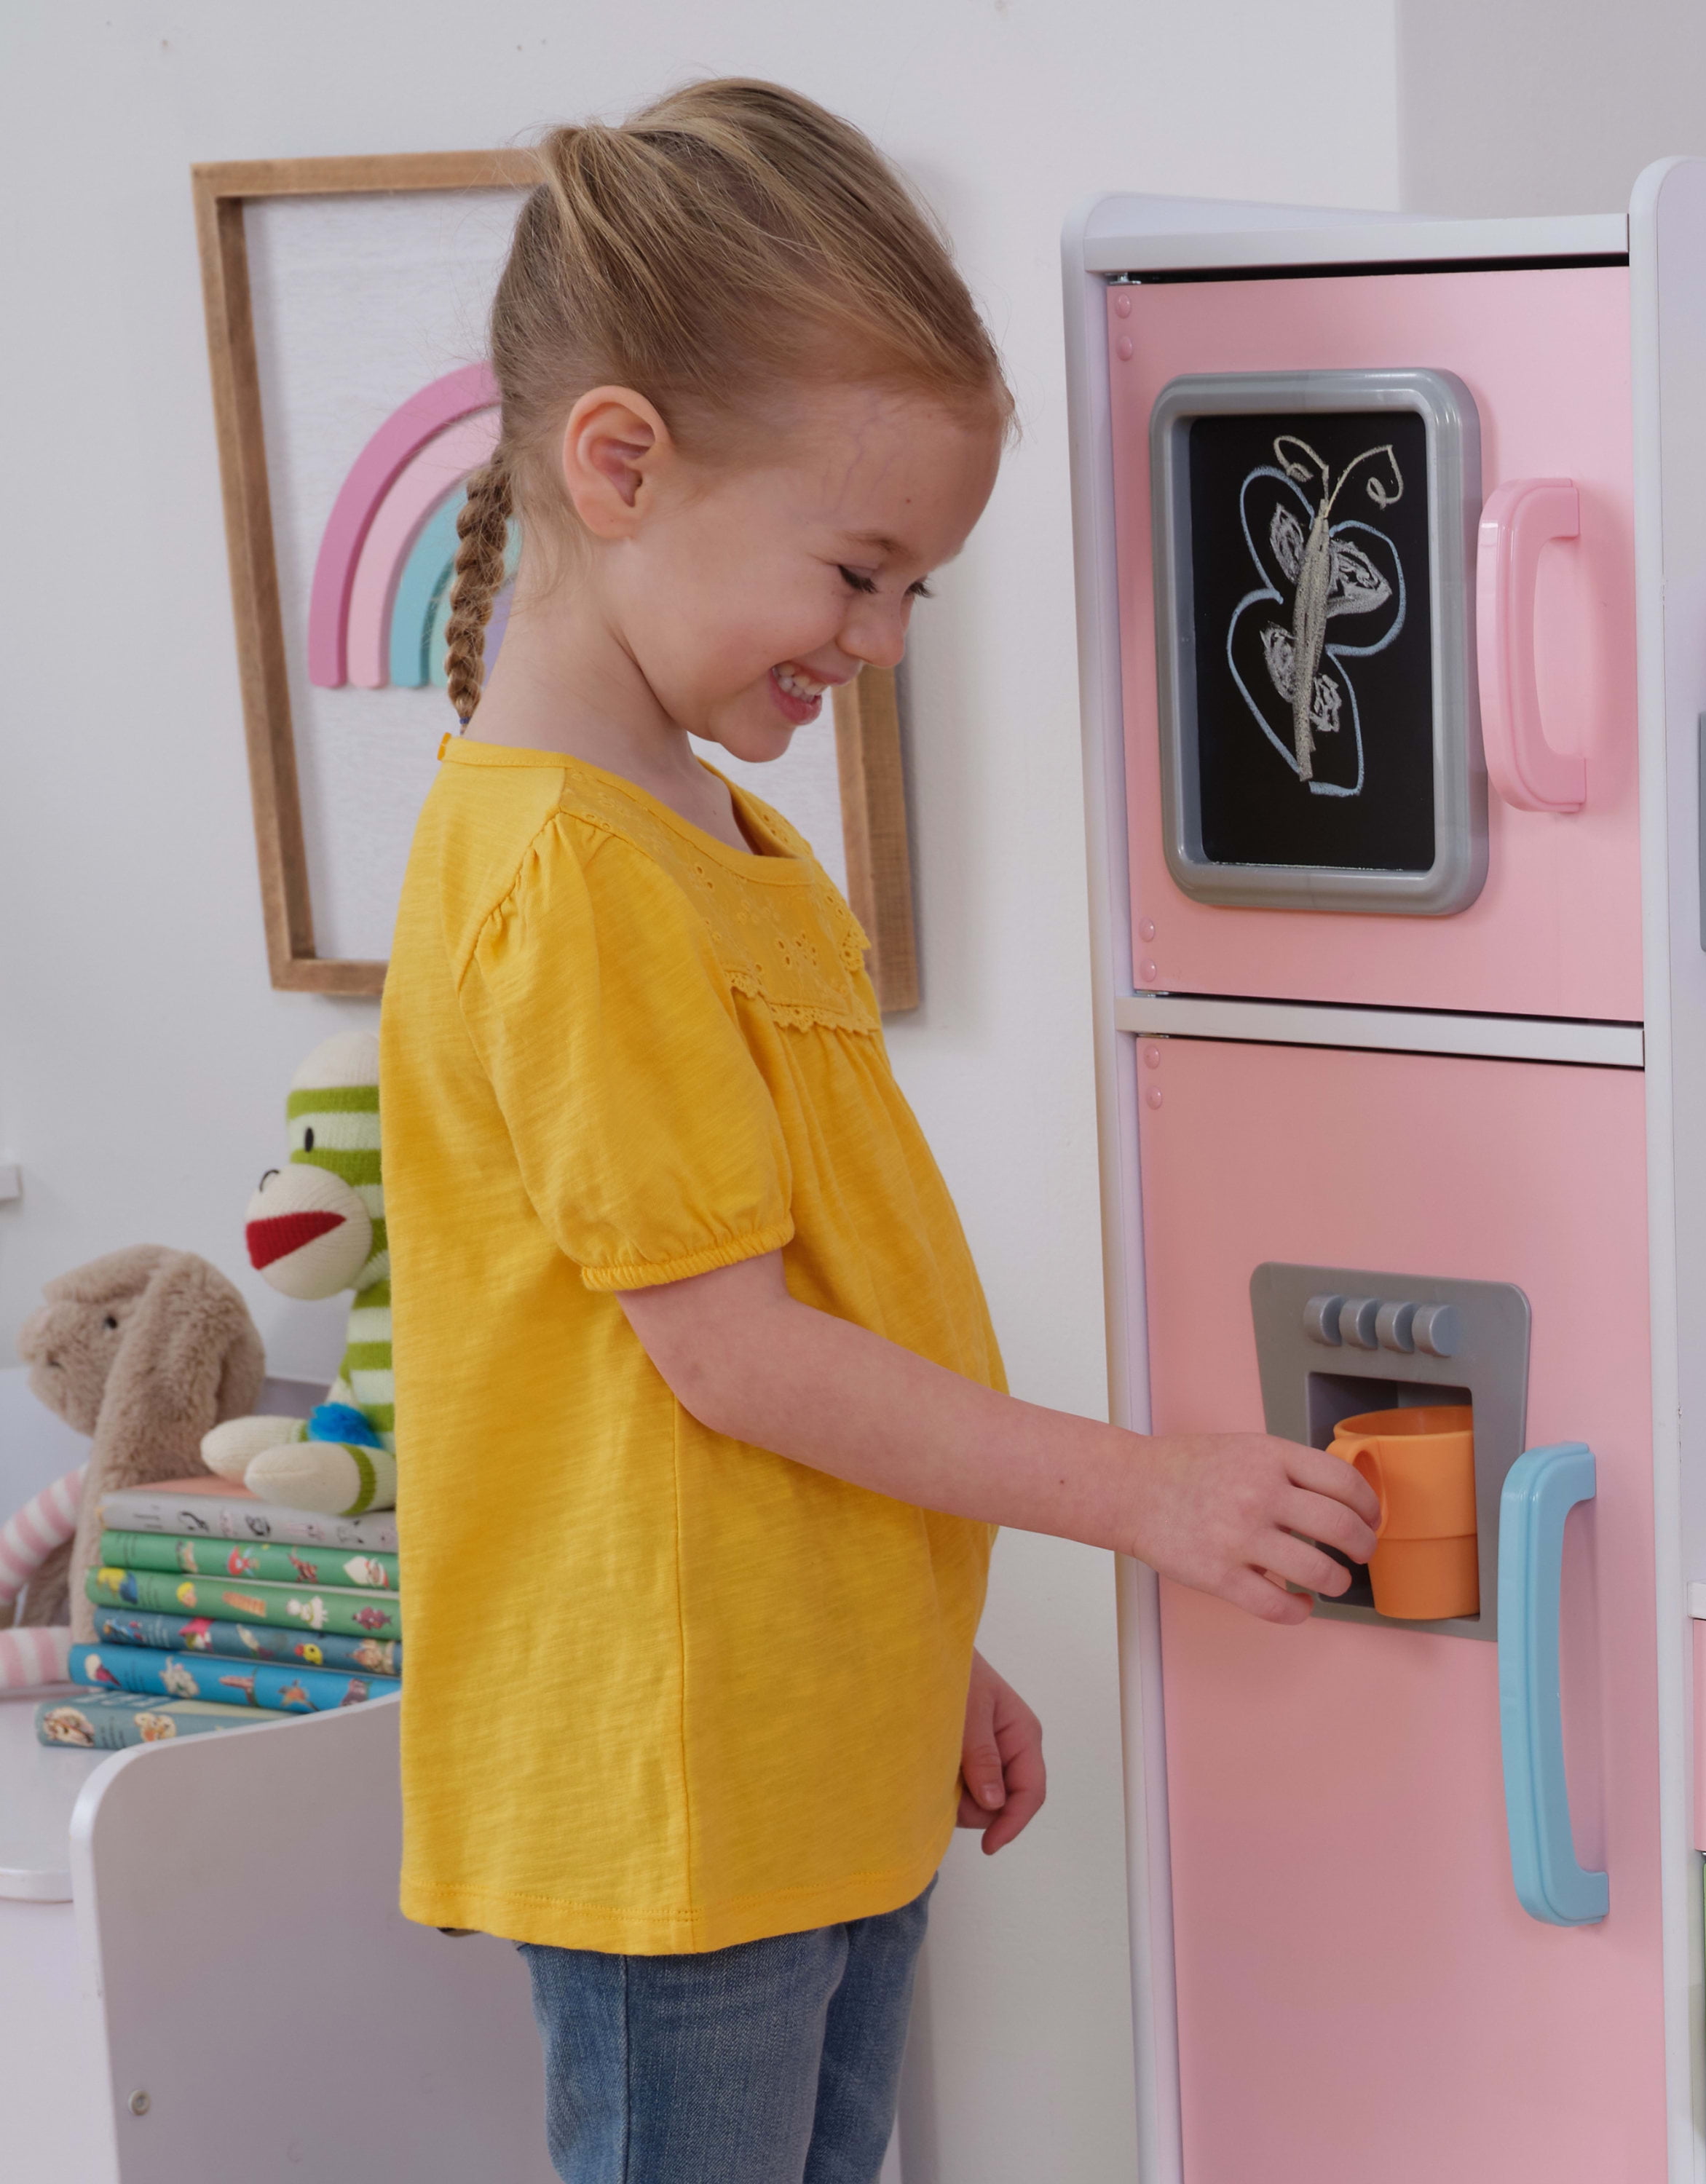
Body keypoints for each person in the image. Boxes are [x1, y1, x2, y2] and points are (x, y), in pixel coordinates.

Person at [379, 78, 1377, 2184]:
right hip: (672, 1784)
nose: (882, 639)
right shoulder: (564, 874)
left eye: (914, 589)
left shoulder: (709, 840)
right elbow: (726, 1354)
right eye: (859, 569)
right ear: (622, 463)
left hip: (790, 1740)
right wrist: (1146, 1493)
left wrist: (916, 1651)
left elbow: (808, 1323)